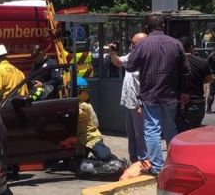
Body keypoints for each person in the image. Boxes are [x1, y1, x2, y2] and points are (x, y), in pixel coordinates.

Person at [125, 14, 191, 175]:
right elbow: (186, 71)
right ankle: (174, 163)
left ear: (146, 28)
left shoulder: (142, 45)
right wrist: (184, 92)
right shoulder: (176, 44)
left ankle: (157, 167)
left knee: (152, 130)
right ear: (163, 26)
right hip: (170, 95)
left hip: (150, 95)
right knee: (170, 128)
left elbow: (130, 66)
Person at [74, 77, 127, 176]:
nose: (86, 94)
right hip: (80, 141)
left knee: (105, 156)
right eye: (84, 91)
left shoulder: (84, 106)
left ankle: (115, 161)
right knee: (77, 161)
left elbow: (94, 121)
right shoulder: (75, 104)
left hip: (91, 138)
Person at [109, 33, 148, 164]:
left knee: (141, 134)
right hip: (129, 101)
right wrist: (112, 52)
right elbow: (118, 62)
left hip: (139, 102)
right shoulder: (132, 55)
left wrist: (143, 104)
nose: (132, 47)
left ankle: (144, 160)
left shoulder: (148, 58)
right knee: (131, 134)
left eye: (135, 45)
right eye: (132, 44)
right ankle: (134, 159)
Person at [175, 37, 213, 132]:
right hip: (197, 102)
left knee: (178, 134)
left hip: (177, 102)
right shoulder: (202, 62)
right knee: (194, 133)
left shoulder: (173, 62)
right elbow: (209, 79)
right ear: (192, 47)